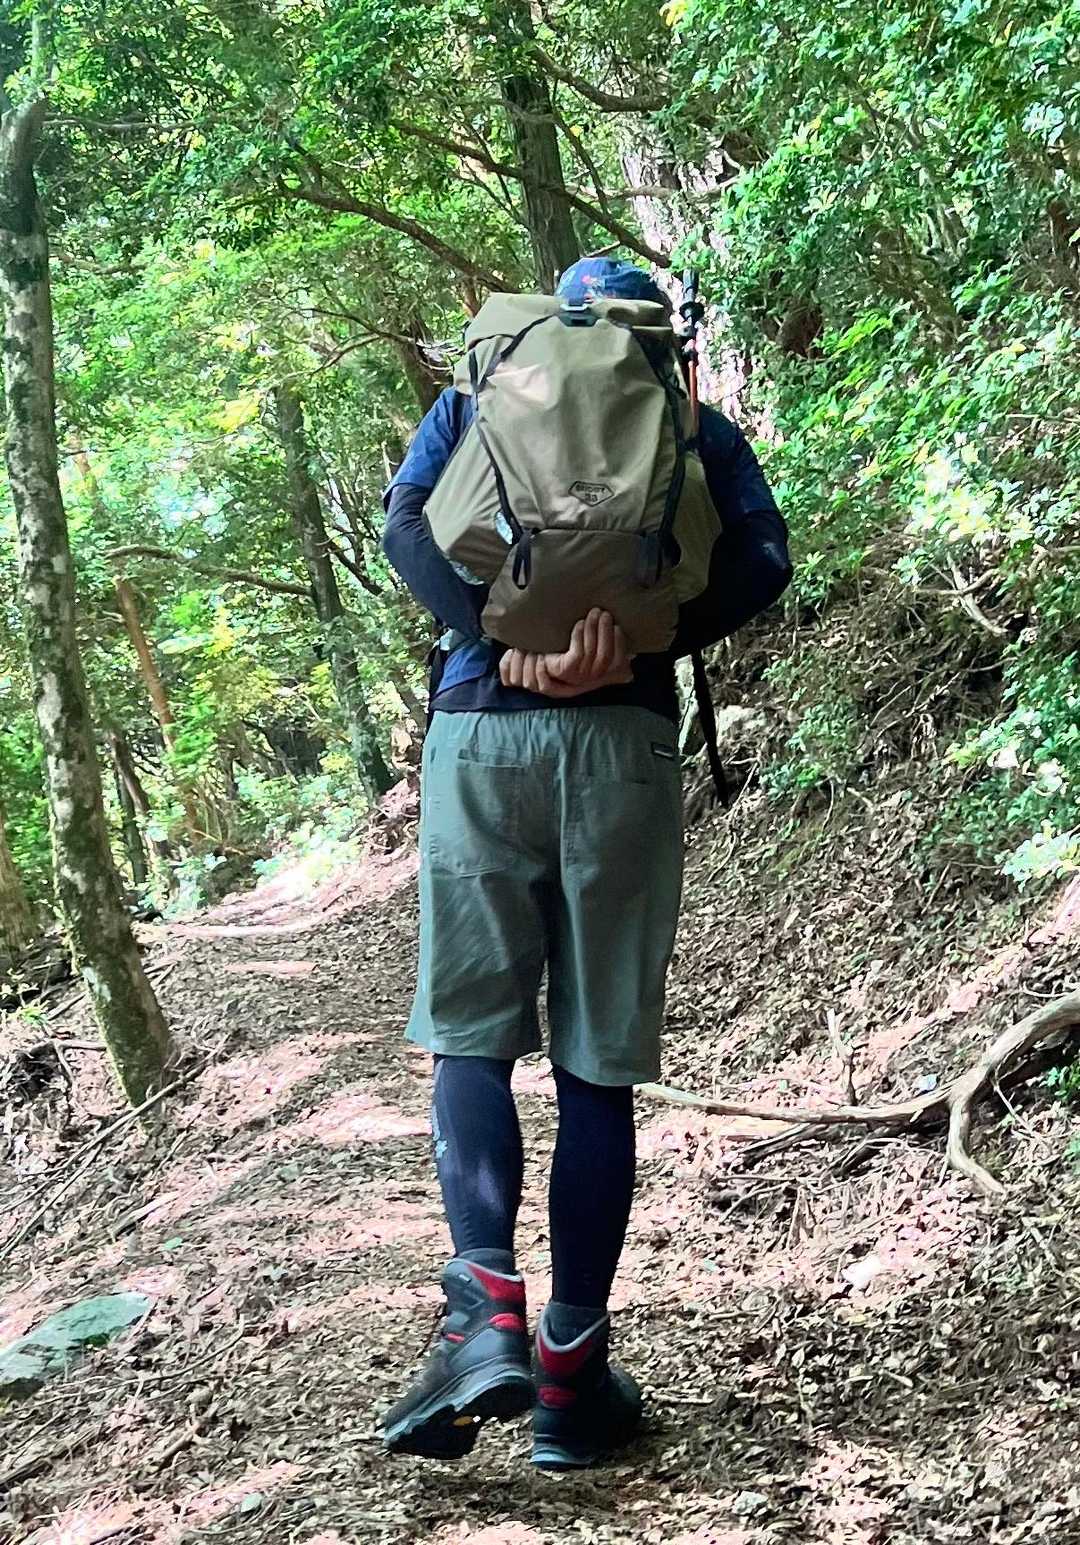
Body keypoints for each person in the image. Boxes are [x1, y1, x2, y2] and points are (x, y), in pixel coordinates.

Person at [380, 258, 791, 1470]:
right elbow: (765, 558)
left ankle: (484, 1315)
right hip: (622, 748)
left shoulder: (481, 394)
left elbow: (406, 525)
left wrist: (500, 642)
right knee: (597, 1059)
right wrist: (641, 643)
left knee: (472, 1037)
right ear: (649, 335)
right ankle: (571, 1376)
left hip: (481, 739)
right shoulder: (684, 420)